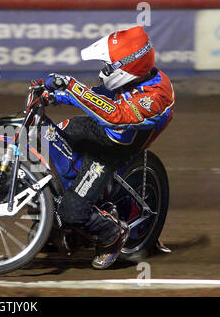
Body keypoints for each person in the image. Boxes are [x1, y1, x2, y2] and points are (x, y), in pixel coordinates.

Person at [43, 26, 175, 269]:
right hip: (98, 129)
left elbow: (116, 115)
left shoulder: (156, 96)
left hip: (111, 150)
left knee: (72, 212)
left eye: (108, 66)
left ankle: (111, 235)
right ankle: (51, 218)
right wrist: (55, 95)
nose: (103, 71)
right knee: (45, 137)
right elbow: (101, 96)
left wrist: (72, 87)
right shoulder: (136, 75)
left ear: (128, 67)